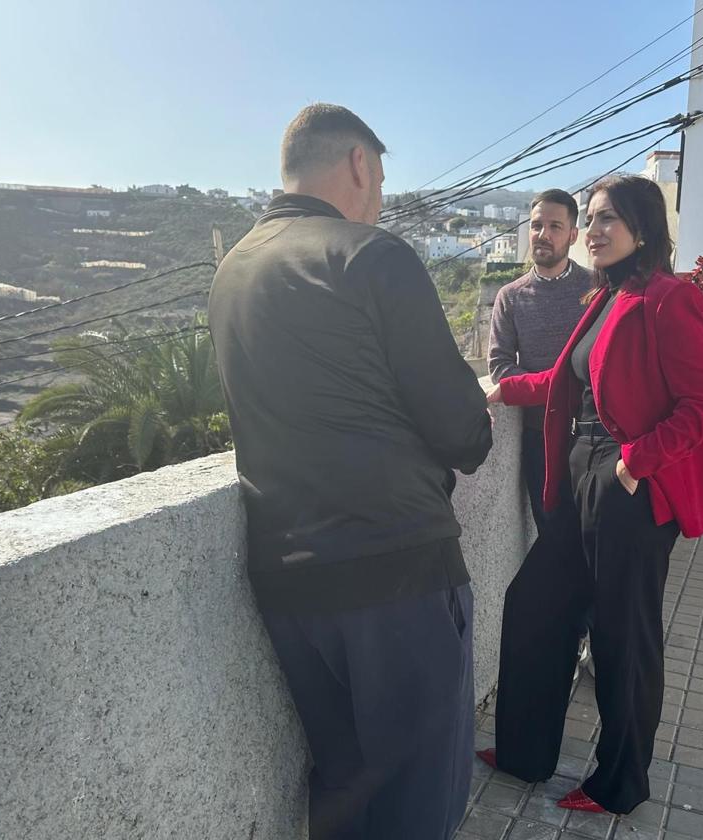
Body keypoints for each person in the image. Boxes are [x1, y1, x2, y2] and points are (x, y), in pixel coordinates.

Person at [208, 103, 493, 840]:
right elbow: (462, 428)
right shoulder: (371, 254)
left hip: (288, 583)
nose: (380, 198)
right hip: (395, 571)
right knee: (419, 803)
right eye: (381, 179)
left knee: (344, 793)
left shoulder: (232, 271)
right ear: (359, 165)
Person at [481, 174, 703, 815]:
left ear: (642, 229)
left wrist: (634, 463)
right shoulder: (605, 297)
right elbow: (565, 382)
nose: (592, 231)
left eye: (606, 219)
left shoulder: (668, 298)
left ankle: (620, 783)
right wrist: (502, 389)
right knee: (533, 604)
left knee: (624, 637)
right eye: (589, 219)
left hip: (631, 487)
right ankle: (524, 753)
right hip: (580, 478)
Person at [487, 189, 590, 531]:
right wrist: (552, 390)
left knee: (592, 533)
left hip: (593, 435)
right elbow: (500, 366)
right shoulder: (511, 296)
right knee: (552, 534)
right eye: (536, 226)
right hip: (539, 436)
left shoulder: (597, 289)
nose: (543, 235)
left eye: (555, 226)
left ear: (573, 235)